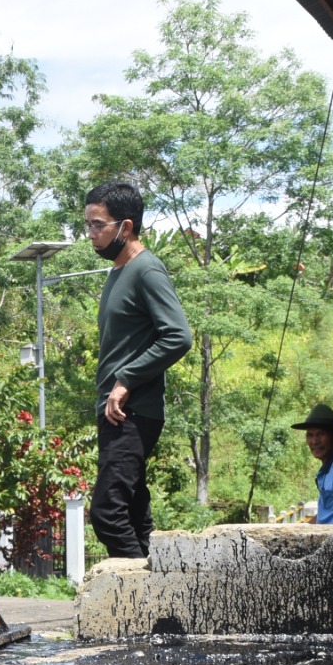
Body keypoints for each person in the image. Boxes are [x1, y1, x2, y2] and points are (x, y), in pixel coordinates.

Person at [86, 181, 192, 558]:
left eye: (99, 225)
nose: (92, 235)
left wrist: (126, 381)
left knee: (107, 513)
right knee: (132, 512)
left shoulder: (147, 270)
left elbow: (178, 336)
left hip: (132, 411)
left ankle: (137, 599)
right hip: (115, 411)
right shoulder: (118, 273)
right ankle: (157, 600)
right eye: (89, 226)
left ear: (126, 227)